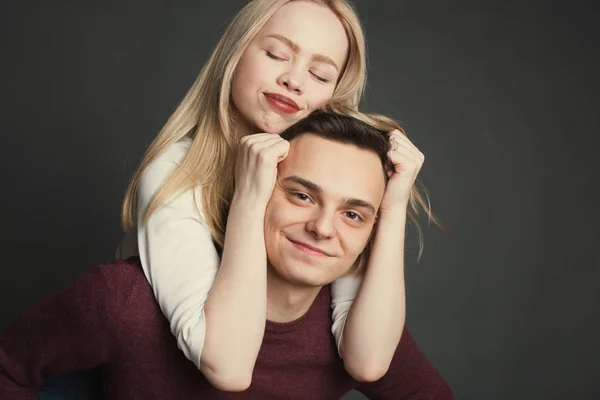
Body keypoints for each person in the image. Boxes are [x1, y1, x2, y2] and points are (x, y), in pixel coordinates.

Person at [0, 111, 453, 399]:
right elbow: (9, 369)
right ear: (256, 191)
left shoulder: (360, 328)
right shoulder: (124, 301)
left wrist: (393, 207)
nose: (323, 227)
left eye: (354, 215)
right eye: (301, 195)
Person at [116, 0, 437, 388]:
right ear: (235, 54)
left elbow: (368, 362)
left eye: (319, 74)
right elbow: (228, 367)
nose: (294, 80)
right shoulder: (175, 173)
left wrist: (394, 202)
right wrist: (250, 197)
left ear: (335, 94)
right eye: (276, 54)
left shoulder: (327, 192)